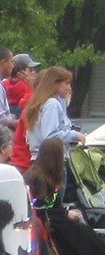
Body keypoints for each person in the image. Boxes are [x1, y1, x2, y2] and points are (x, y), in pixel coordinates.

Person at [24, 66, 85, 199]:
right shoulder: (52, 104)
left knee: (42, 206)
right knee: (54, 206)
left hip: (36, 161)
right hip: (52, 163)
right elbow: (50, 135)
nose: (69, 88)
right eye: (66, 83)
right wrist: (75, 135)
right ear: (54, 83)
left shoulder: (41, 103)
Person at [4, 53, 39, 117]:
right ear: (22, 72)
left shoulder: (3, 85)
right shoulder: (28, 87)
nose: (34, 72)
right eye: (30, 69)